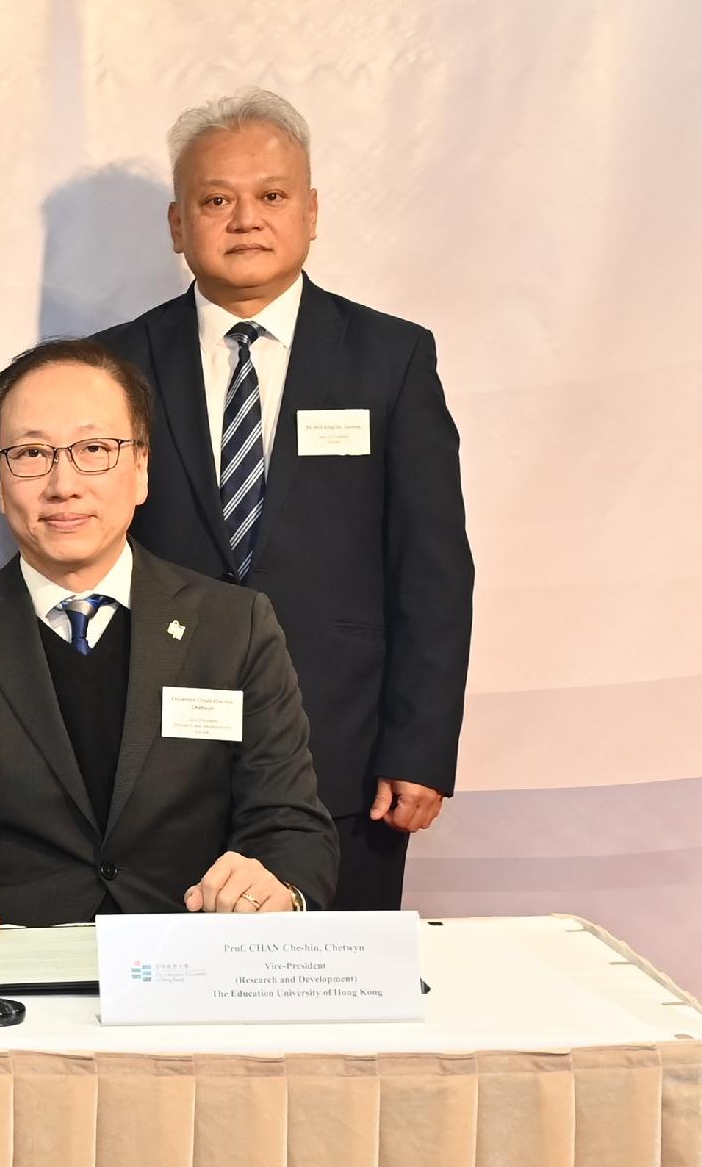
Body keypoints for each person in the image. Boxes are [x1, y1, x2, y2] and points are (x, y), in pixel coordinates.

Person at [112, 91, 470, 912]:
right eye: (215, 200)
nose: (245, 219)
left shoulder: (391, 359)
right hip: (153, 769)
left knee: (334, 1017)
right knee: (165, 1021)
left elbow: (433, 570)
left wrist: (419, 746)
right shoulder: (116, 366)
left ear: (311, 212)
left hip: (343, 762)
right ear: (177, 224)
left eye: (271, 196)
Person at [0, 341, 336, 929]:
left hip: (190, 965)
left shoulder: (235, 627)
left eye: (94, 450)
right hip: (7, 975)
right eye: (31, 453)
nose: (63, 484)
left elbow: (293, 829)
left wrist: (277, 885)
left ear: (141, 469)